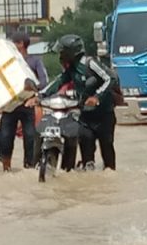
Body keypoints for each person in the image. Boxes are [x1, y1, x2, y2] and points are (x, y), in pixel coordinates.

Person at [41, 34, 116, 171]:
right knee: (87, 151)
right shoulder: (71, 69)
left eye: (63, 52)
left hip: (104, 115)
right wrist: (41, 95)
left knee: (107, 151)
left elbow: (110, 78)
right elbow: (59, 81)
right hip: (85, 117)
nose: (60, 55)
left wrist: (97, 97)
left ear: (71, 52)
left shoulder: (90, 63)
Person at [0, 32, 49, 171]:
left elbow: (44, 82)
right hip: (9, 105)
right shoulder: (6, 62)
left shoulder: (34, 61)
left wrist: (33, 88)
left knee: (30, 136)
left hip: (27, 104)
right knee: (5, 137)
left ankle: (29, 166)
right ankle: (6, 167)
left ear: (20, 44)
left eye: (13, 43)